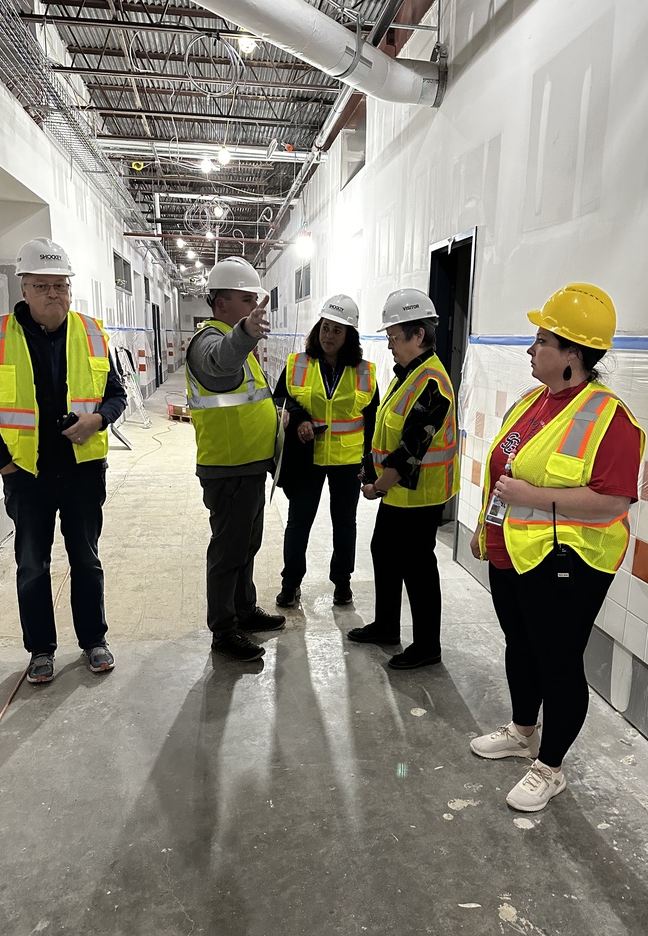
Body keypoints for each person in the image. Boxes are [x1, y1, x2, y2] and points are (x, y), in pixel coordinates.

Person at [469, 283, 646, 812]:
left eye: (541, 339)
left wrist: (533, 496)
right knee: (519, 645)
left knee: (559, 660)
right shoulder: (532, 403)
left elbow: (613, 503)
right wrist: (487, 526)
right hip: (513, 553)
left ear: (573, 352)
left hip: (569, 563)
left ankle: (550, 767)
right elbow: (503, 476)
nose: (530, 348)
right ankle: (524, 730)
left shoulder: (610, 419)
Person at [0, 237, 127, 684]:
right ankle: (41, 650)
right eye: (41, 285)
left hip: (82, 471)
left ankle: (93, 641)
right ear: (23, 288)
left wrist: (97, 420)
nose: (52, 294)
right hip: (27, 476)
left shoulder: (92, 332)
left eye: (60, 285)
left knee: (86, 559)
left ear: (69, 287)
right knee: (32, 565)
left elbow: (116, 394)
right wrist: (5, 466)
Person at [347, 289, 459, 670]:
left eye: (396, 338)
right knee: (385, 552)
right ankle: (387, 625)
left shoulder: (432, 384)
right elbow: (389, 433)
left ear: (419, 337)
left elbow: (410, 450)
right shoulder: (408, 374)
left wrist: (376, 487)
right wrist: (373, 469)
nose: (391, 345)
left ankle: (428, 645)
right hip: (398, 494)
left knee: (418, 569)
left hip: (419, 497)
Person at [185, 256, 285, 663]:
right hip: (226, 469)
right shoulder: (209, 341)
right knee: (228, 552)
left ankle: (244, 610)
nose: (253, 308)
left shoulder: (236, 339)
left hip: (249, 466)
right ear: (220, 302)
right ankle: (224, 631)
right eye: (245, 300)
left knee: (247, 545)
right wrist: (244, 332)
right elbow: (220, 363)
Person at [272, 295, 379, 608]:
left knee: (344, 523)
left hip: (348, 461)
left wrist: (370, 463)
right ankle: (290, 584)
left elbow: (373, 420)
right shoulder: (298, 363)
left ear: (349, 337)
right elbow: (280, 400)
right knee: (298, 522)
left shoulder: (365, 371)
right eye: (325, 328)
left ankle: (342, 583)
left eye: (337, 331)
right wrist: (300, 417)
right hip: (307, 458)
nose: (329, 336)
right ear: (318, 328)